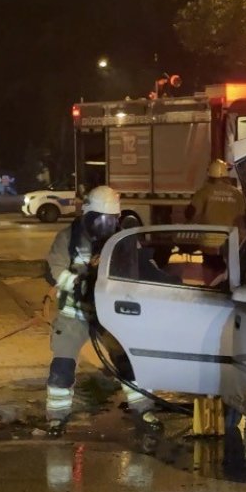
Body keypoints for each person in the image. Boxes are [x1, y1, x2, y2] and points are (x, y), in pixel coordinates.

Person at [43, 185, 160, 436]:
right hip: (75, 313)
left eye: (111, 220)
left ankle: (143, 410)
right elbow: (54, 271)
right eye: (101, 220)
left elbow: (140, 270)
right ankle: (56, 417)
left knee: (128, 362)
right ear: (88, 216)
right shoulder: (68, 238)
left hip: (109, 314)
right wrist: (79, 283)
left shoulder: (123, 241)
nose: (106, 226)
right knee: (62, 365)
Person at [186, 160, 246, 279]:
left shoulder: (204, 192)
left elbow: (190, 213)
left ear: (210, 176)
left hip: (209, 244)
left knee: (209, 275)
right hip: (230, 243)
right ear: (226, 175)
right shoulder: (237, 194)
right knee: (229, 275)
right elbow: (244, 218)